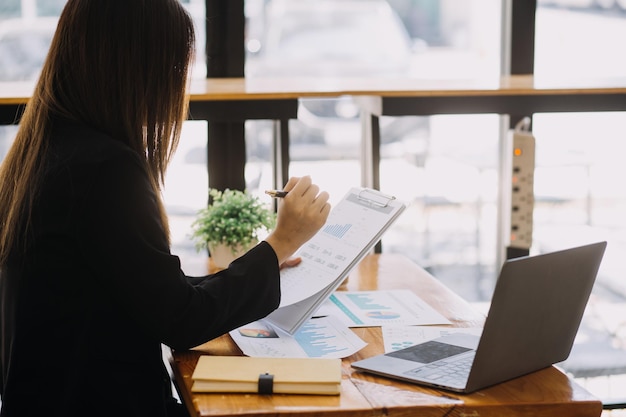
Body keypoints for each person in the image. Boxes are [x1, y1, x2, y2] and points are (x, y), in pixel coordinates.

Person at [0, 1, 331, 416]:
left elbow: (146, 285)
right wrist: (282, 240)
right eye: (175, 68)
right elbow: (181, 320)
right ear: (137, 68)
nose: (178, 87)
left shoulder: (46, 150)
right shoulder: (106, 169)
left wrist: (265, 259)